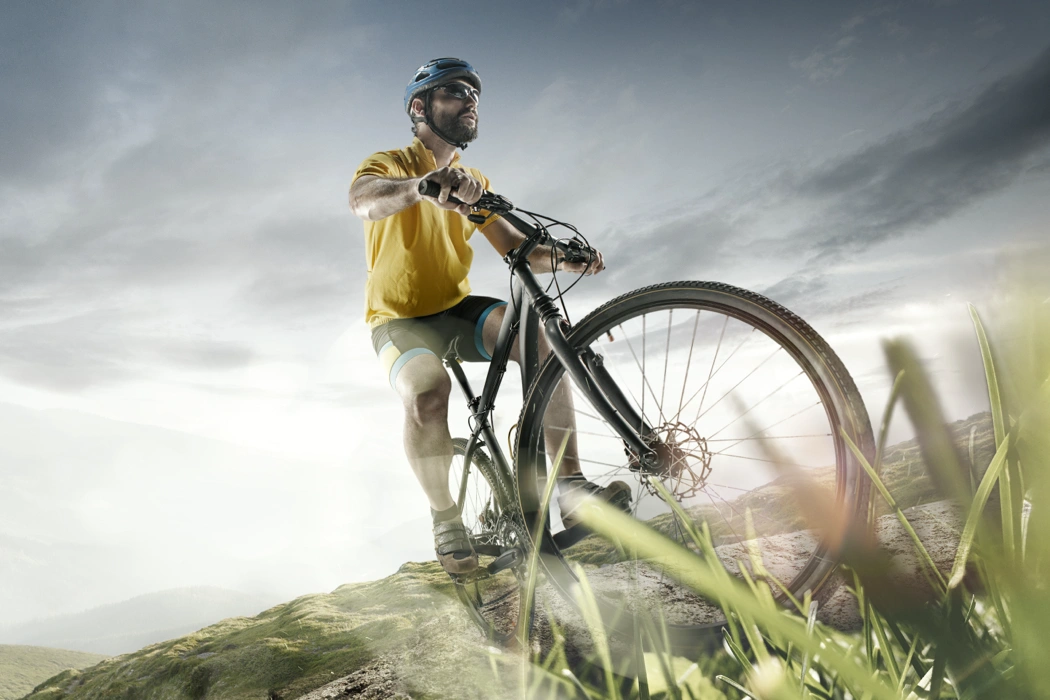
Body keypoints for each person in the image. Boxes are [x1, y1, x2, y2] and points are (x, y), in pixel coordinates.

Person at [348, 58, 630, 576]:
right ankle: (445, 517)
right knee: (428, 393)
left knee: (544, 343)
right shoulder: (391, 163)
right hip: (397, 319)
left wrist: (568, 259)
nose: (470, 100)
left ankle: (568, 484)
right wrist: (422, 187)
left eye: (475, 93)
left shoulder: (472, 182)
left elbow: (516, 248)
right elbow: (363, 201)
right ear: (420, 107)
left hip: (457, 310)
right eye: (454, 91)